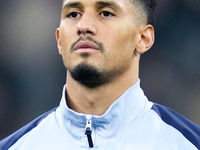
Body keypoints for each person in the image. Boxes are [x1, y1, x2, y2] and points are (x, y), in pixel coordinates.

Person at [1, 0, 200, 149]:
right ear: (59, 39)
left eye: (105, 13)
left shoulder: (188, 143)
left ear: (143, 38)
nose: (84, 26)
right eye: (73, 14)